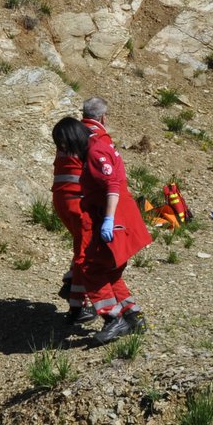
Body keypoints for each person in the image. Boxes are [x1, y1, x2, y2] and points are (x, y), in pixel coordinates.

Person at [75, 96, 152, 344]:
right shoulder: (101, 143)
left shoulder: (95, 147)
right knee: (111, 271)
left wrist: (108, 219)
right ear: (104, 118)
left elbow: (112, 184)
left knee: (92, 269)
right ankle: (132, 316)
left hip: (113, 217)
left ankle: (113, 318)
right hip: (119, 216)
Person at [51, 116, 95, 325]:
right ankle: (78, 305)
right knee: (84, 252)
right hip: (78, 204)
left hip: (63, 201)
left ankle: (71, 283)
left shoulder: (65, 142)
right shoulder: (87, 140)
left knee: (81, 245)